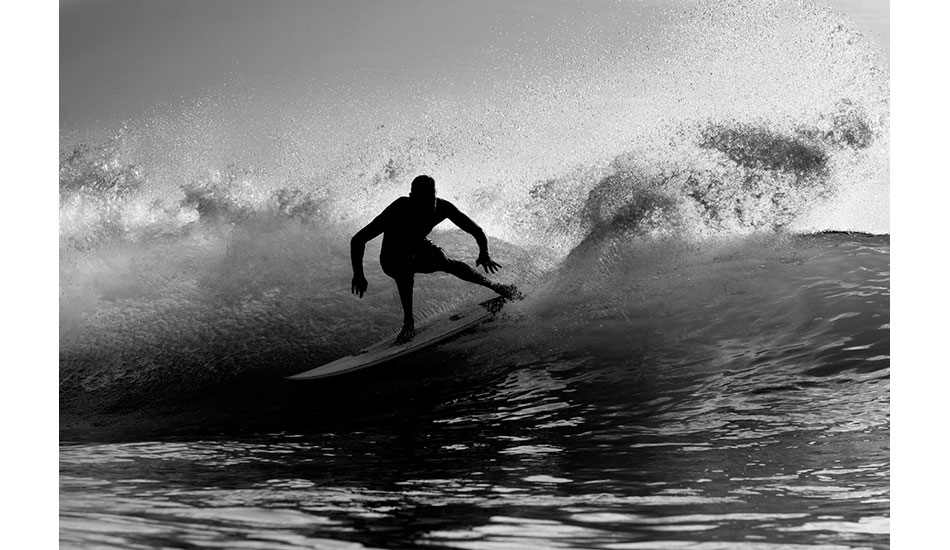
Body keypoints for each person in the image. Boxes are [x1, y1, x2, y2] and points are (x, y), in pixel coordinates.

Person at [350, 175, 522, 343]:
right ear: (412, 198)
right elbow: (358, 239)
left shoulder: (442, 207)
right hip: (391, 257)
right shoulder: (399, 208)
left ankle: (497, 287)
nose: (428, 205)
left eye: (431, 198)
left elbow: (476, 230)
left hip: (418, 247)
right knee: (405, 269)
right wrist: (359, 274)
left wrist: (484, 252)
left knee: (444, 261)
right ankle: (408, 324)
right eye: (423, 200)